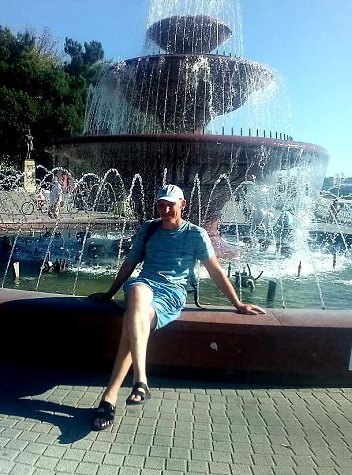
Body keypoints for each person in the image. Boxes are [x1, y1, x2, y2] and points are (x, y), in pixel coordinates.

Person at [88, 184, 266, 431]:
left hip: (171, 293)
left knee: (133, 320)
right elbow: (130, 263)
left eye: (170, 205)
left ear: (182, 204)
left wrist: (237, 303)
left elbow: (215, 271)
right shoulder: (149, 228)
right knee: (137, 292)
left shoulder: (195, 234)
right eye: (161, 205)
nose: (165, 210)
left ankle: (111, 396)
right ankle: (140, 379)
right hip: (145, 284)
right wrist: (110, 293)